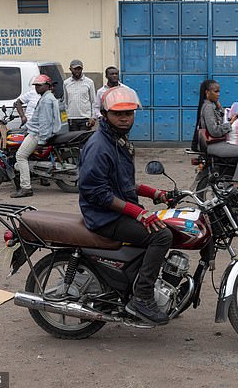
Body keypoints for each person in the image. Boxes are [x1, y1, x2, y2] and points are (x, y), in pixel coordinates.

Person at [78, 86, 172, 325]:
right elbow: (96, 192)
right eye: (118, 114)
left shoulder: (118, 142)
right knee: (161, 236)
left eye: (129, 113)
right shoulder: (100, 147)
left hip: (115, 209)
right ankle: (142, 298)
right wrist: (138, 213)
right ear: (104, 114)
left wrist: (154, 193)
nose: (124, 118)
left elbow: (122, 183)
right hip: (103, 217)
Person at [11, 75, 61, 198]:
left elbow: (45, 122)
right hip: (36, 131)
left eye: (39, 85)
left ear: (47, 86)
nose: (37, 88)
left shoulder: (46, 100)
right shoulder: (47, 97)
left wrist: (41, 140)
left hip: (36, 133)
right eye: (36, 85)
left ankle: (26, 188)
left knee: (21, 156)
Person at [196, 79, 238, 190]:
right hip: (212, 145)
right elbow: (214, 131)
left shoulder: (210, 105)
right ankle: (235, 182)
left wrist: (218, 105)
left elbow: (220, 117)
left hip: (214, 143)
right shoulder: (207, 108)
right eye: (216, 92)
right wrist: (230, 124)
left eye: (219, 91)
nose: (218, 94)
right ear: (207, 93)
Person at [63, 59, 97, 131]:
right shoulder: (66, 83)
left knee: (84, 140)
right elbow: (65, 102)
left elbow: (94, 101)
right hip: (72, 119)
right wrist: (67, 117)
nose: (77, 71)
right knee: (74, 141)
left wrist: (93, 117)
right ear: (70, 69)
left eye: (79, 69)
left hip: (85, 118)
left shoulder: (89, 82)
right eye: (75, 69)